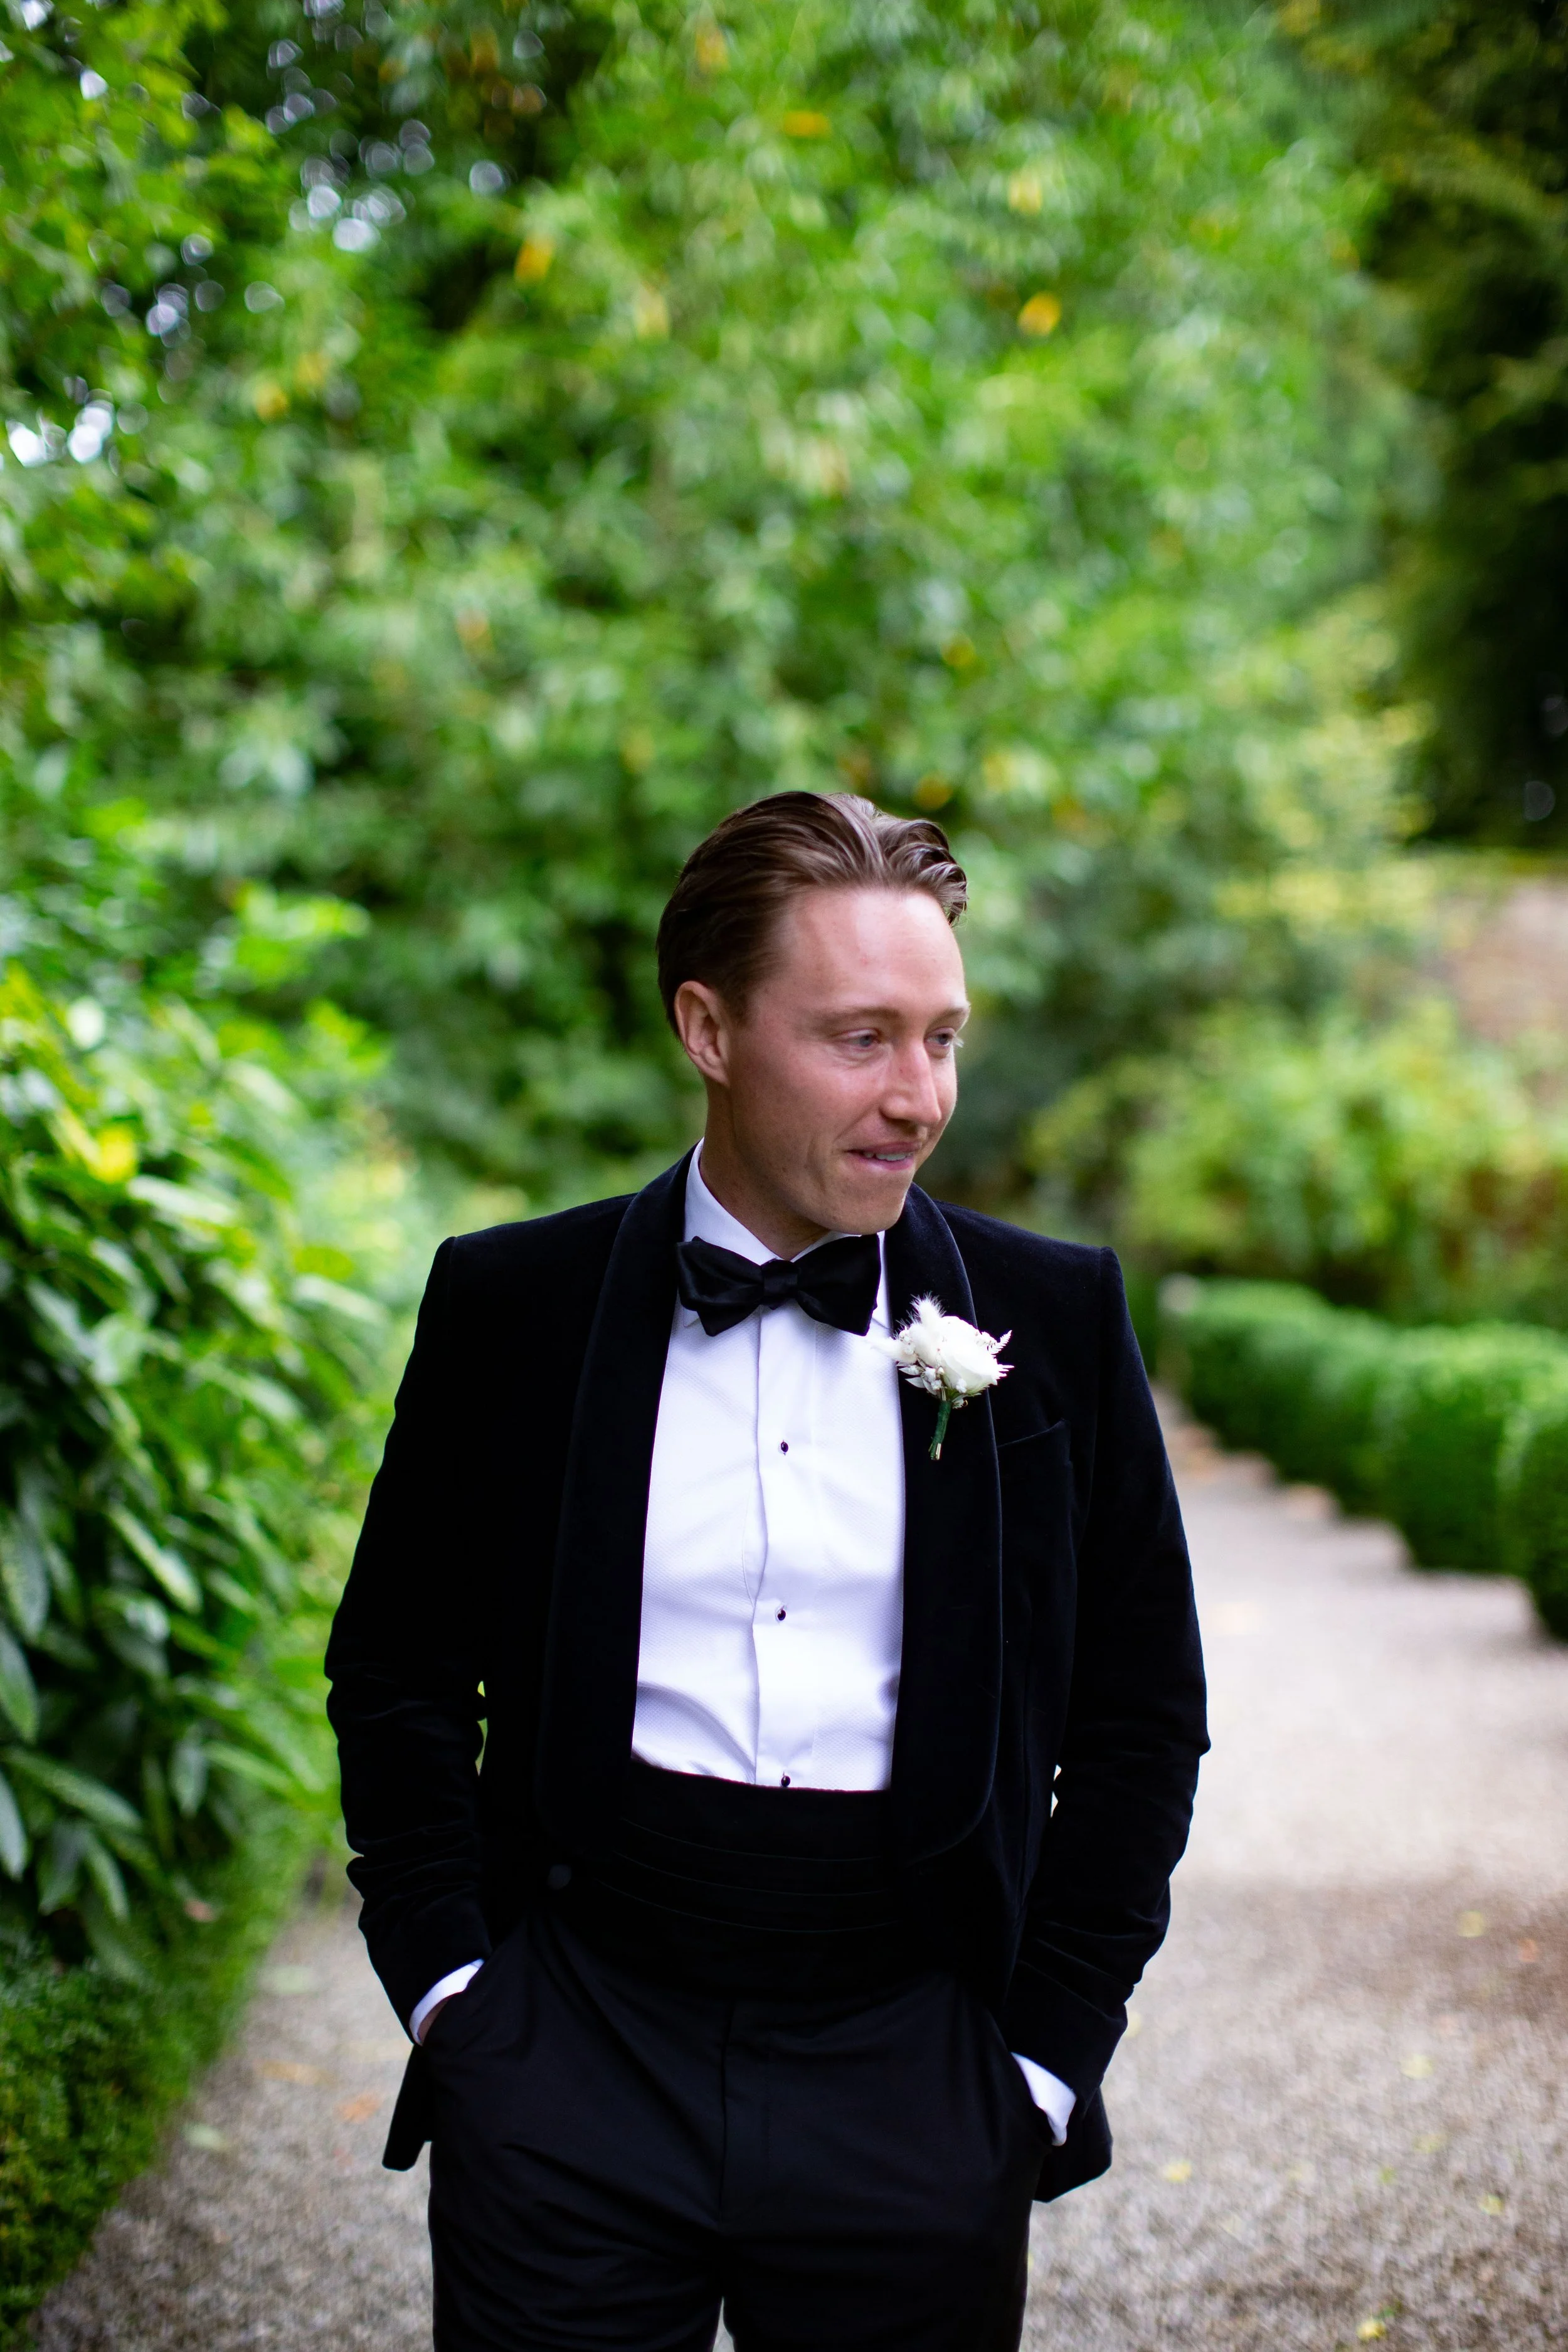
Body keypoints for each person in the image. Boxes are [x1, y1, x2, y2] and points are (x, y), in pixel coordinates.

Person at [326, 790, 1207, 2352]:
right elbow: (395, 1666)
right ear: (708, 1029)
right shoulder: (508, 1306)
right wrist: (457, 1996)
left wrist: (1038, 2058)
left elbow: (1140, 1720)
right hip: (572, 2050)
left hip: (917, 2067)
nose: (918, 1096)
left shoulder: (1051, 1319)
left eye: (940, 1037)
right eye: (859, 1037)